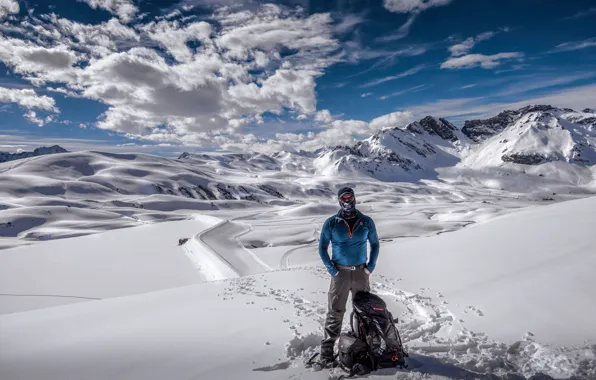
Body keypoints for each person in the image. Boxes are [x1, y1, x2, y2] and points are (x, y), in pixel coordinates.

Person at [317, 186, 380, 365]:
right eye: (343, 198)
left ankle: (368, 346)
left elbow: (375, 244)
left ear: (354, 198)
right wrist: (332, 270)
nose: (347, 201)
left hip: (361, 272)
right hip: (340, 273)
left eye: (349, 197)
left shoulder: (366, 221)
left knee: (364, 311)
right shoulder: (331, 223)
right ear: (339, 201)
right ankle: (327, 352)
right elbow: (322, 248)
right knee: (335, 311)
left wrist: (370, 267)